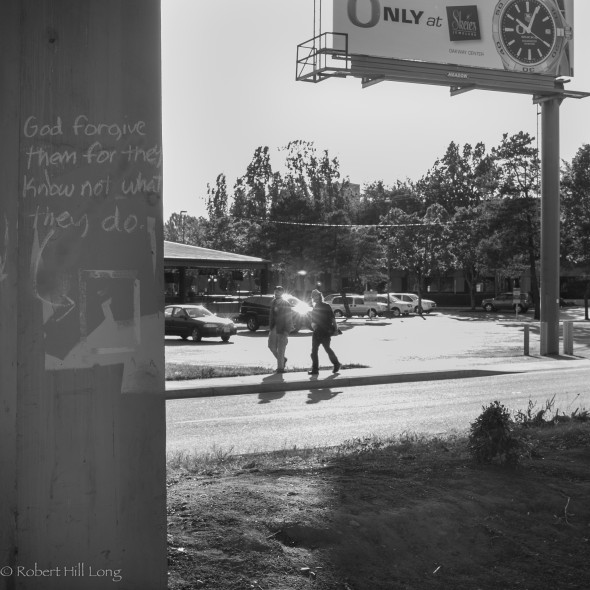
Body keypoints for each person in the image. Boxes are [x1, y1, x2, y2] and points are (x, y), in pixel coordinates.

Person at [308, 289, 341, 375]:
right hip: (317, 331)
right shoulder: (315, 307)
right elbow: (313, 320)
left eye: (316, 295)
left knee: (327, 349)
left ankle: (336, 363)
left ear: (319, 296)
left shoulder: (326, 306)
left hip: (325, 331)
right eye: (313, 296)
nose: (314, 297)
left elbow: (333, 319)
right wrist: (313, 326)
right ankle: (315, 370)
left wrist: (336, 330)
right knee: (314, 351)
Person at [268, 286, 293, 373]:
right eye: (275, 291)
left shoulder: (285, 303)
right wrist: (271, 327)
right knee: (271, 346)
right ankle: (283, 360)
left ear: (282, 293)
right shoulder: (273, 302)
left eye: (278, 292)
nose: (276, 293)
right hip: (274, 328)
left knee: (281, 349)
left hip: (282, 329)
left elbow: (289, 318)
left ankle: (280, 368)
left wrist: (287, 331)